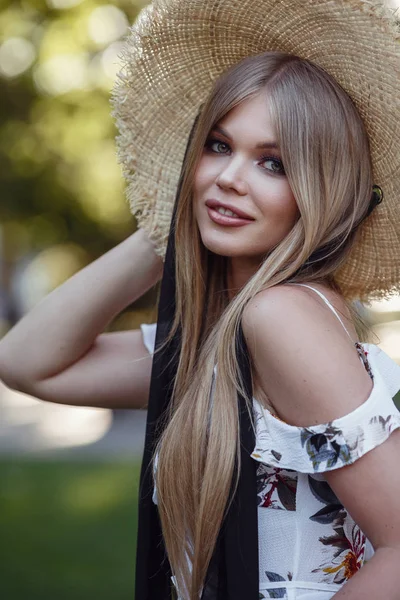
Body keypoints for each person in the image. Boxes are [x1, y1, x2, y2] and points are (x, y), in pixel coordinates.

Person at [1, 1, 400, 599]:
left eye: (273, 162)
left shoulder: (280, 315)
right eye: (217, 147)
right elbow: (28, 363)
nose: (230, 177)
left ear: (321, 188)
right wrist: (166, 224)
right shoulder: (224, 331)